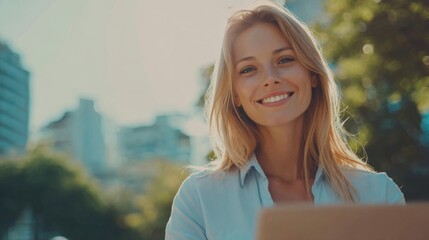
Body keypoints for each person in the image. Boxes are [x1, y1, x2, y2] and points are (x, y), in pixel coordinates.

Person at [166, 1, 405, 240]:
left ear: (312, 74)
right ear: (235, 94)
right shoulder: (200, 199)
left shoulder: (378, 194)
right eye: (248, 69)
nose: (270, 79)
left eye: (285, 60)